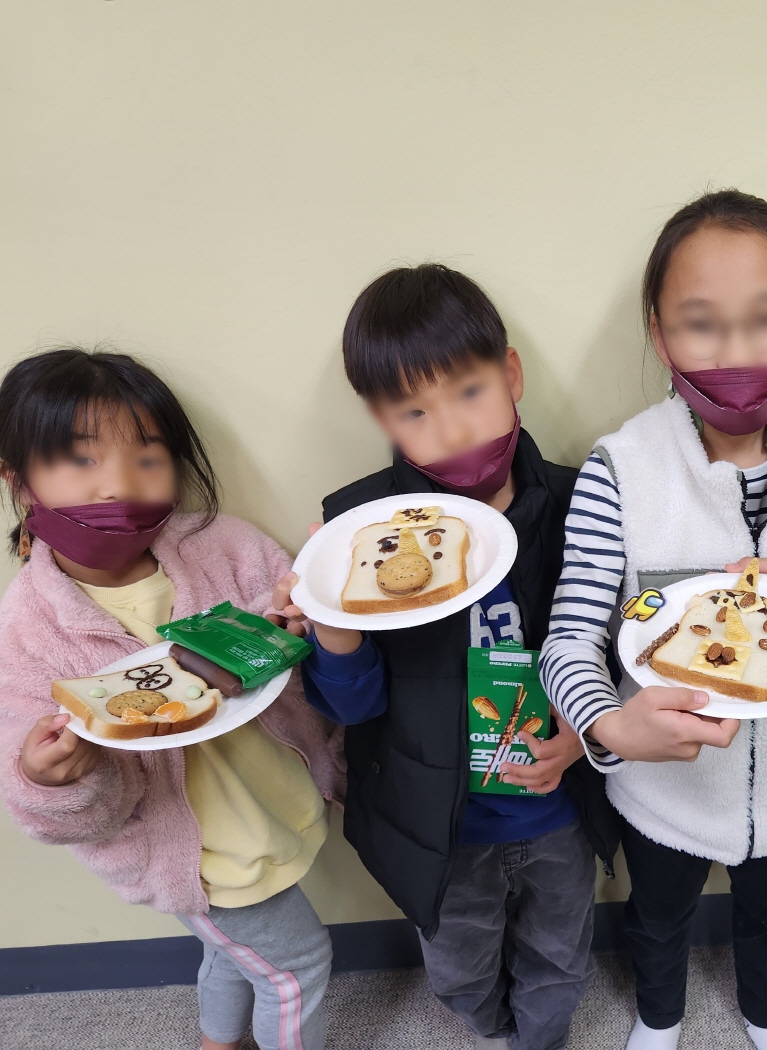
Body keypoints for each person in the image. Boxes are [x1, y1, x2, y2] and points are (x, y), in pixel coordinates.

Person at [540, 190, 767, 1050]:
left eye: (766, 319)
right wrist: (607, 727)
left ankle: (766, 1013)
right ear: (659, 334)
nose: (735, 353)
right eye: (701, 324)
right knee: (657, 916)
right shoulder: (620, 467)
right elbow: (569, 638)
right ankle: (658, 1016)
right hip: (662, 783)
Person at [272, 264, 620, 1050]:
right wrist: (332, 621)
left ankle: (540, 1040)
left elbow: (621, 645)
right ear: (382, 420)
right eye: (415, 412)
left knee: (560, 958)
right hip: (441, 823)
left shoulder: (582, 504)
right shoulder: (357, 530)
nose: (454, 430)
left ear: (511, 376)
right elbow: (351, 706)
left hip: (557, 805)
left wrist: (585, 736)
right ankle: (492, 1030)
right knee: (459, 969)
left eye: (469, 392)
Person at [0, 347, 343, 1050]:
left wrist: (294, 622)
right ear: (19, 481)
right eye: (80, 459)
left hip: (272, 805)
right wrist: (48, 777)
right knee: (296, 967)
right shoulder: (26, 635)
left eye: (147, 457)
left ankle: (216, 1042)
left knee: (233, 956)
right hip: (190, 851)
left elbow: (297, 653)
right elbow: (38, 803)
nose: (119, 484)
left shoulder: (228, 548)